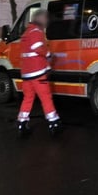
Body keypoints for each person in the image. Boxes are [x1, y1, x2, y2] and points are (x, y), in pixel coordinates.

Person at [16, 9, 62, 137]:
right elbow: (38, 48)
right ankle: (54, 122)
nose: (47, 21)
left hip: (27, 74)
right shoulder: (36, 32)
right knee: (46, 97)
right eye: (45, 19)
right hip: (38, 73)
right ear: (40, 19)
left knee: (28, 98)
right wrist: (48, 54)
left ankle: (22, 122)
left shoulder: (27, 32)